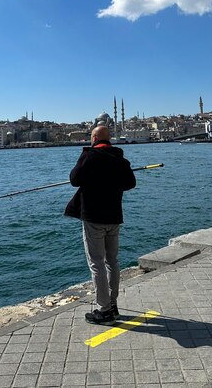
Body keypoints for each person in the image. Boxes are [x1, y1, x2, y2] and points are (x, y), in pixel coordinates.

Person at [64, 125, 136, 325]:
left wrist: (86, 159)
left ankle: (103, 310)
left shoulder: (89, 156)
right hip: (114, 216)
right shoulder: (120, 159)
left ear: (94, 138)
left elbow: (74, 179)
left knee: (97, 263)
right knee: (112, 261)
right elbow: (130, 183)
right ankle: (112, 305)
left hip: (94, 218)